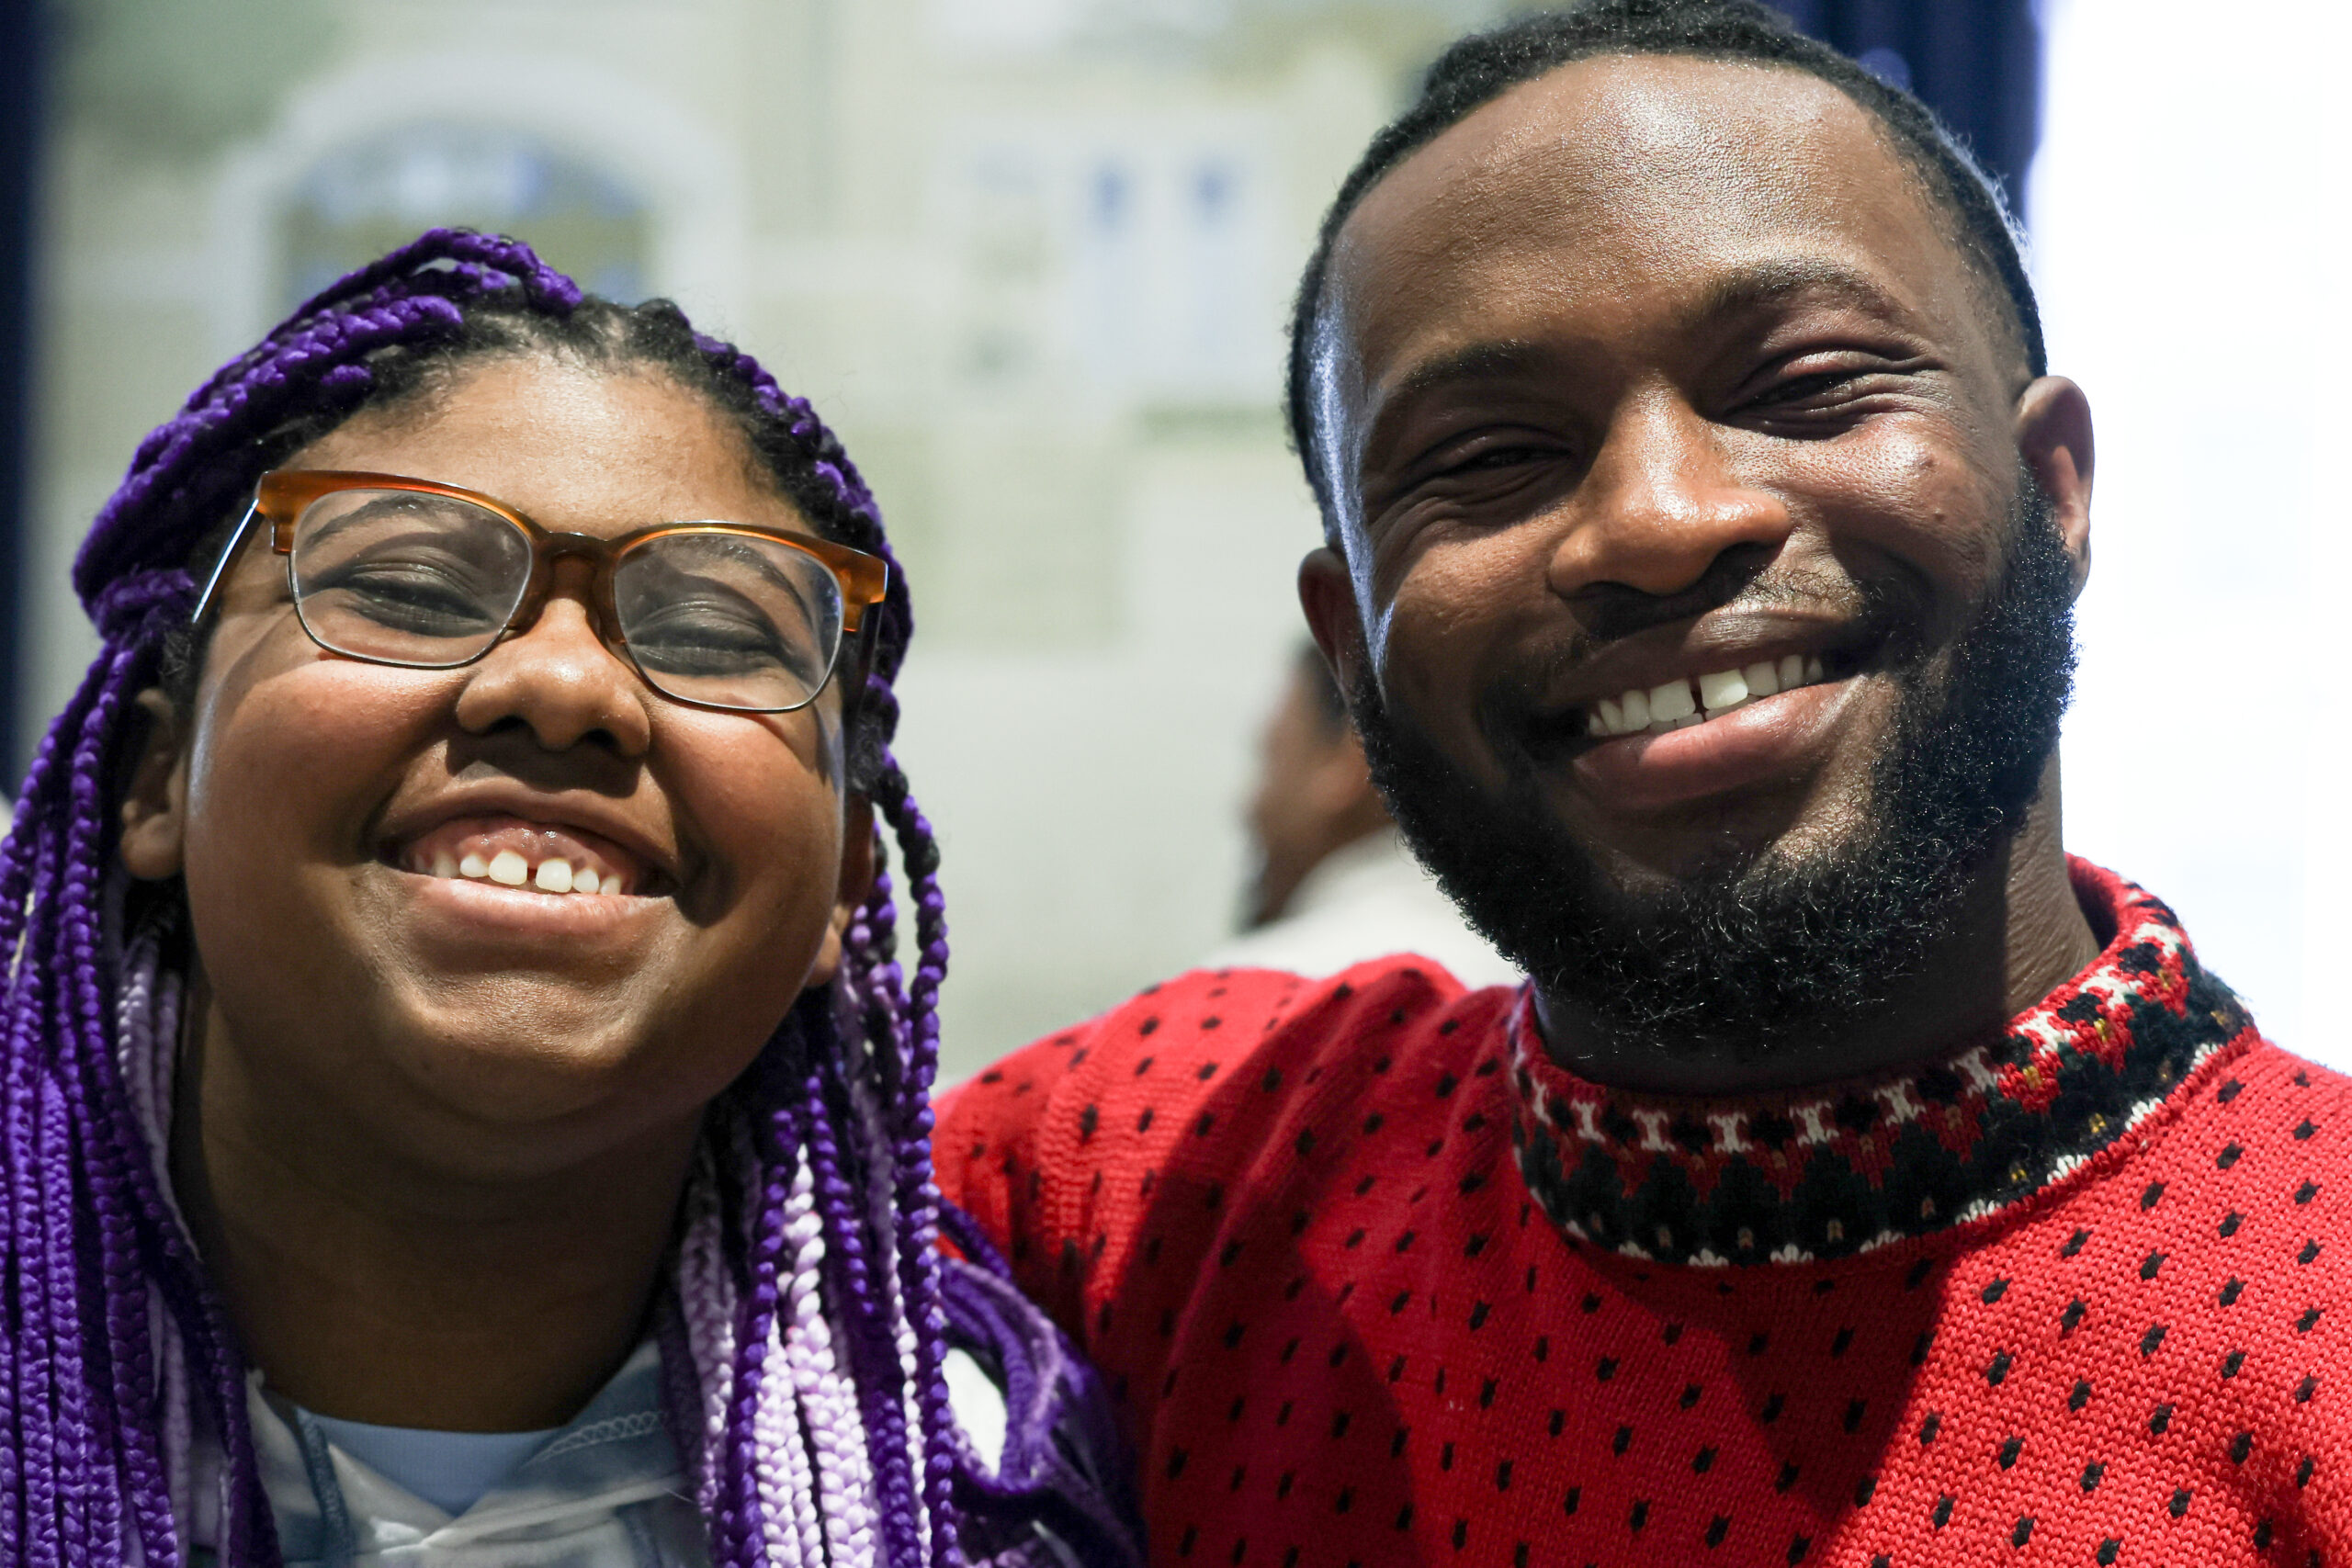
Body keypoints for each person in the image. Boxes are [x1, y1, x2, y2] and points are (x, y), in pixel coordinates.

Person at [933, 4, 2352, 1564]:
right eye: (1490, 458)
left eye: (1805, 382)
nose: (1662, 522)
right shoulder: (1185, 1166)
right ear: (1353, 645)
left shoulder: (2322, 1303)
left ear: (2054, 488)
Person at [0, 228, 1138, 1566]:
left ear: (844, 881)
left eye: (710, 632)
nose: (563, 685)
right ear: (151, 783)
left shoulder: (976, 1497)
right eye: (411, 589)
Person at [1204, 644, 1514, 985]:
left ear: (1351, 758)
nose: (1249, 806)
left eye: (1270, 757)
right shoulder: (1534, 989)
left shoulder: (1249, 985)